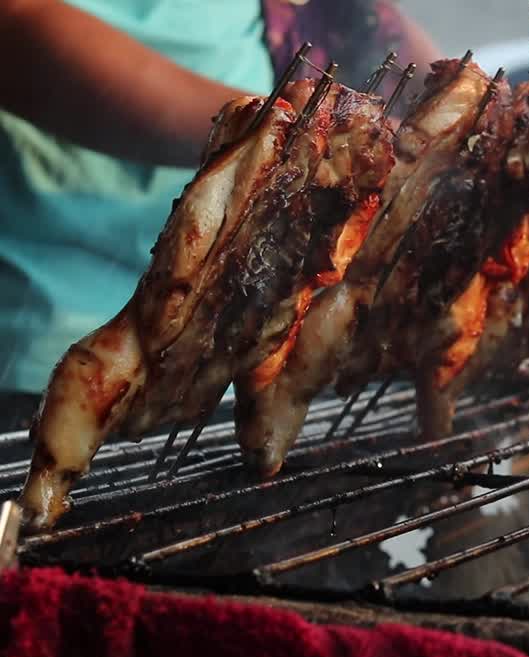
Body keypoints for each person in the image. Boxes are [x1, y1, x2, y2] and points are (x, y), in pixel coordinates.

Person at [0, 1, 439, 428]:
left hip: (237, 353)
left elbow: (348, 15)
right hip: (54, 344)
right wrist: (289, 136)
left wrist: (463, 124)